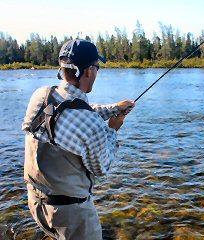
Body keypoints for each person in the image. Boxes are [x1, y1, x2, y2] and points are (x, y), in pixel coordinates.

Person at [22, 39, 135, 240]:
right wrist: (112, 130)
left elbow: (71, 111)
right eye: (97, 68)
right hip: (71, 215)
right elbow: (102, 168)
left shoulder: (41, 96)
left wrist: (114, 108)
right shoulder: (90, 125)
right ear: (89, 71)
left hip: (36, 202)